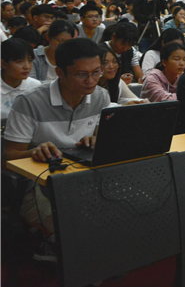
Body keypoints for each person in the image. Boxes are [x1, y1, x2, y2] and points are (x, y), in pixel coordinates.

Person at [4, 38, 109, 261]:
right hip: (36, 182)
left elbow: (100, 138)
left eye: (96, 72)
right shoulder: (30, 102)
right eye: (81, 74)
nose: (91, 81)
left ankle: (75, 253)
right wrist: (34, 151)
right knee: (72, 226)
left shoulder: (101, 96)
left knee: (114, 211)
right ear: (60, 72)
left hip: (81, 176)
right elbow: (8, 157)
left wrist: (93, 140)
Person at [1, 38, 42, 120]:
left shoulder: (35, 87)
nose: (26, 67)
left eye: (30, 61)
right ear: (3, 64)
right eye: (19, 62)